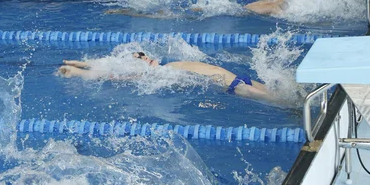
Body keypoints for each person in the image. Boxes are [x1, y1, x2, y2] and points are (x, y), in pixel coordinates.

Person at [58, 53, 273, 101]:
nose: (145, 58)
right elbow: (113, 74)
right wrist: (78, 71)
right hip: (234, 86)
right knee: (284, 103)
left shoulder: (169, 63)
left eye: (143, 55)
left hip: (240, 77)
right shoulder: (160, 75)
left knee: (287, 95)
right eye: (141, 59)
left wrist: (81, 62)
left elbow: (112, 62)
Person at [104, 0, 286, 18]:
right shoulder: (171, 12)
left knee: (247, 9)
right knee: (246, 7)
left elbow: (143, 15)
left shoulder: (168, 16)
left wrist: (121, 12)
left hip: (220, 11)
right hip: (220, 9)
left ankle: (281, 7)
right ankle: (282, 3)